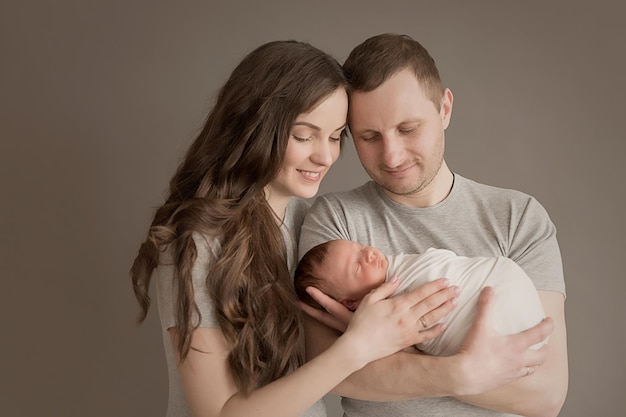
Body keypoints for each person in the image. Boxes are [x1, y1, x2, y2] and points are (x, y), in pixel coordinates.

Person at [129, 40, 461, 417]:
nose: (325, 156)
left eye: (335, 137)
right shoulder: (200, 240)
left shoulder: (313, 225)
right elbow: (220, 412)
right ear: (254, 127)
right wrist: (357, 347)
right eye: (304, 135)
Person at [298, 34, 568, 417]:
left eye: (408, 129)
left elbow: (545, 394)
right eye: (369, 137)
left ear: (444, 108)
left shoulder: (517, 218)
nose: (391, 155)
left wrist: (390, 349)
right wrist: (461, 372)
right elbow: (329, 373)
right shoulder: (336, 221)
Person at [295, 239, 547, 357]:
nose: (370, 254)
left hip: (505, 286)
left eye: (360, 248)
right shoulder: (332, 214)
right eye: (357, 267)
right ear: (349, 303)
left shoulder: (405, 267)